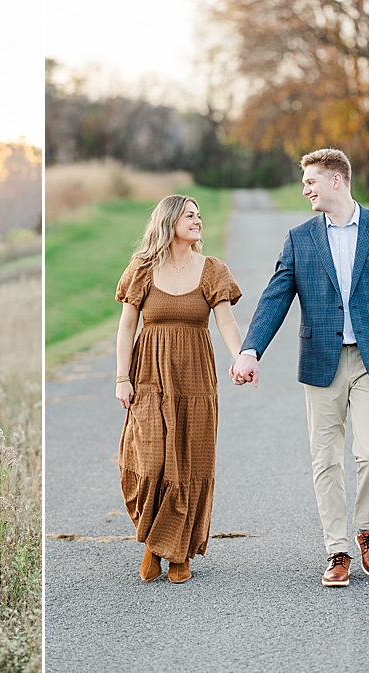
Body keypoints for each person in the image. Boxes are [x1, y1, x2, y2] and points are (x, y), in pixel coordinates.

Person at [231, 148, 369, 587]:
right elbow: (276, 296)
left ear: (336, 179)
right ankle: (337, 549)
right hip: (322, 362)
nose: (305, 189)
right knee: (326, 459)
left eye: (311, 181)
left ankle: (368, 531)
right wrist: (250, 350)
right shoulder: (300, 238)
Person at [115, 194, 245, 584]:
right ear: (169, 221)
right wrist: (122, 377)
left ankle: (179, 553)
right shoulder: (141, 268)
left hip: (196, 380)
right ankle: (154, 542)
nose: (197, 220)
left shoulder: (212, 270)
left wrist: (241, 357)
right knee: (148, 460)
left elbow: (225, 322)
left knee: (189, 463)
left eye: (199, 215)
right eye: (189, 215)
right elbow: (126, 326)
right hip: (149, 377)